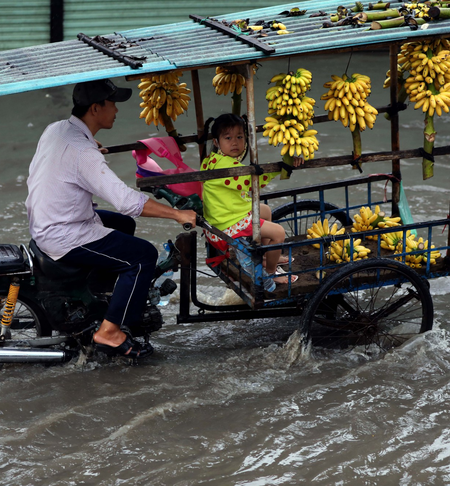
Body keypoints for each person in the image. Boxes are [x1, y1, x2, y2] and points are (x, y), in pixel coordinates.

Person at [25, 79, 196, 359]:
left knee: (124, 226)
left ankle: (99, 300)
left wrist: (91, 146)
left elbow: (66, 160)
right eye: (112, 103)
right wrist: (176, 214)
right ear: (95, 108)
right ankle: (110, 331)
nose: (117, 110)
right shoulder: (84, 154)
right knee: (143, 256)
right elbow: (128, 202)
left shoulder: (56, 129)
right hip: (64, 232)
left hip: (47, 218)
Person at [200, 114, 304, 286]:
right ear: (217, 142)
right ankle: (270, 273)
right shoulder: (224, 165)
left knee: (265, 210)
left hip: (223, 216)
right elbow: (251, 183)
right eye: (228, 138)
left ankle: (263, 255)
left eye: (239, 137)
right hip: (228, 222)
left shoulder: (213, 160)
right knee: (279, 233)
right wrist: (279, 167)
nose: (235, 143)